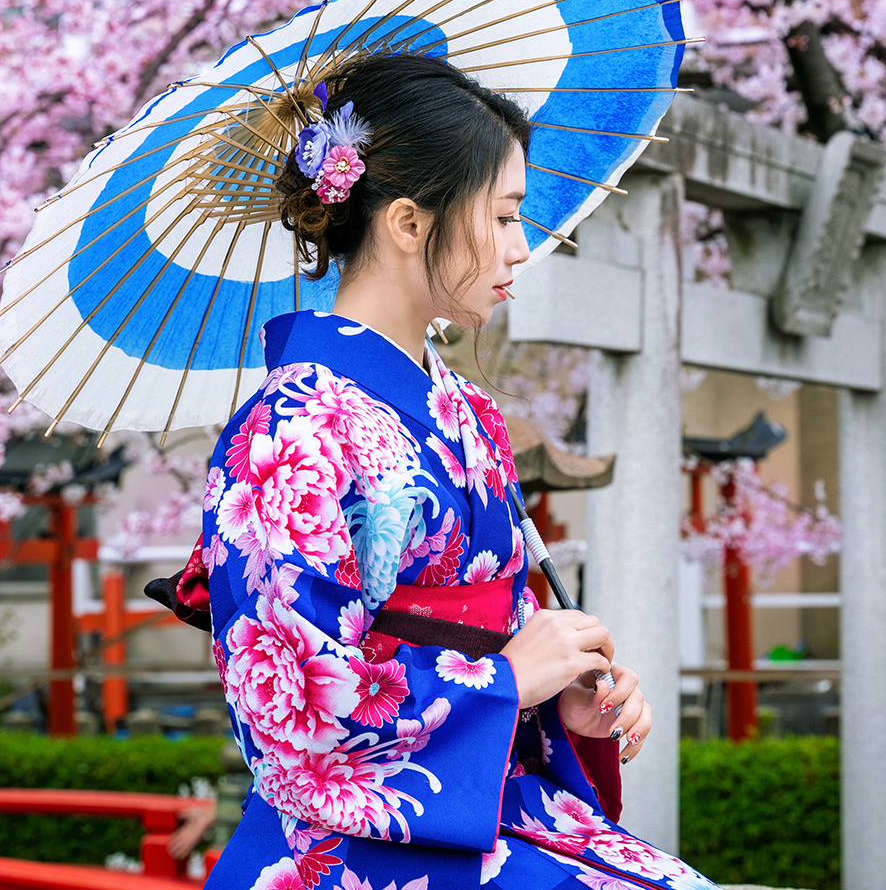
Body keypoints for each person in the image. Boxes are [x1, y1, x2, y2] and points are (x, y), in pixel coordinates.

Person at [199, 54, 718, 890]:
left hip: (481, 799)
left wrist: (553, 702)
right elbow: (291, 711)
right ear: (407, 223)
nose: (522, 245)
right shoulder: (290, 425)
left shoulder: (464, 411)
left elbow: (497, 631)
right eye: (505, 216)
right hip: (351, 837)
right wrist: (507, 678)